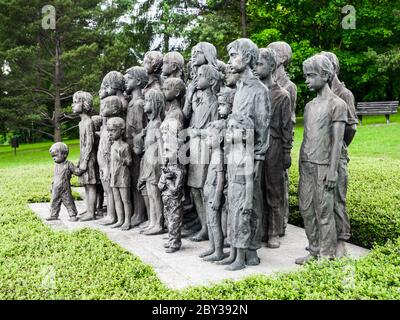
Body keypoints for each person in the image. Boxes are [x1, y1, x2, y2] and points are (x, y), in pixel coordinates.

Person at [296, 54, 348, 265]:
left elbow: (337, 142)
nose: (307, 80)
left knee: (324, 211)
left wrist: (333, 170)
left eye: (310, 76)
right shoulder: (309, 106)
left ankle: (326, 255)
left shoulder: (338, 105)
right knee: (306, 209)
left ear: (325, 75)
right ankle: (314, 250)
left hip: (324, 165)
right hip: (307, 164)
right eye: (305, 76)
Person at [226, 38, 270, 266]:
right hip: (235, 155)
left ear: (248, 58)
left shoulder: (259, 90)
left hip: (249, 157)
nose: (230, 60)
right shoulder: (239, 88)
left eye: (234, 55)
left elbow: (263, 128)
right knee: (236, 203)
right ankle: (239, 250)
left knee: (249, 204)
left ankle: (250, 250)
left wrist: (258, 161)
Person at [320, 51, 358, 258]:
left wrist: (340, 146)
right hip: (320, 155)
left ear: (331, 69)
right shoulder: (320, 92)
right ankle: (325, 242)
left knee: (337, 198)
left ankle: (341, 241)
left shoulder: (344, 94)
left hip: (337, 154)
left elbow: (351, 127)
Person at [256, 48, 293, 248]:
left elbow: (287, 126)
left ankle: (274, 231)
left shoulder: (282, 95)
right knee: (257, 187)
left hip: (274, 145)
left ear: (271, 66)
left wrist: (287, 151)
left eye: (260, 64)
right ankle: (260, 229)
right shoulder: (254, 91)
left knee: (273, 187)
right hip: (256, 145)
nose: (256, 67)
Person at [267, 41, 297, 236]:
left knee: (279, 184)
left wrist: (287, 147)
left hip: (279, 140)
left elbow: (289, 119)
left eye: (273, 51)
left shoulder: (288, 87)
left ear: (283, 58)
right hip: (266, 141)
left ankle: (280, 224)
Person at [222, 114, 254, 271]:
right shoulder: (231, 153)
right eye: (228, 127)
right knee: (232, 223)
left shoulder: (246, 156)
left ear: (243, 133)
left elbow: (249, 181)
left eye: (233, 128)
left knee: (241, 225)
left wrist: (248, 201)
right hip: (232, 192)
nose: (229, 130)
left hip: (241, 192)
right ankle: (232, 255)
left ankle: (240, 259)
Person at [124, 66, 149, 227]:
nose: (125, 80)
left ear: (138, 81)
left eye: (129, 78)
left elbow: (140, 129)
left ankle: (140, 214)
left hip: (136, 149)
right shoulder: (132, 102)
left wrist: (137, 147)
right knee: (133, 181)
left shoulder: (139, 103)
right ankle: (136, 213)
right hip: (130, 147)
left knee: (138, 181)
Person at [138, 89, 165, 235]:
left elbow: (161, 147)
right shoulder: (151, 124)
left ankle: (159, 223)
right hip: (148, 162)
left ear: (156, 103)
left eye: (148, 101)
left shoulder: (158, 124)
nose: (144, 103)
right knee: (150, 193)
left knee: (155, 195)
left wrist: (162, 165)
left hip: (155, 164)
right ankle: (152, 221)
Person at [199, 120, 226, 262]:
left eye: (210, 137)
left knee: (215, 224)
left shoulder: (220, 156)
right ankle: (212, 247)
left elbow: (221, 179)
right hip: (209, 192)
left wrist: (216, 198)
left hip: (214, 194)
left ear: (220, 139)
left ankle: (219, 251)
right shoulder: (214, 154)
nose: (207, 140)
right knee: (210, 222)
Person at [72, 91, 98, 222]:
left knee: (91, 184)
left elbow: (89, 144)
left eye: (75, 102)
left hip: (89, 159)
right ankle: (89, 209)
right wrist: (80, 160)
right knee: (86, 185)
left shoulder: (88, 122)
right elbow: (82, 145)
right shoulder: (81, 123)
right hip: (84, 158)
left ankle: (91, 212)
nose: (72, 105)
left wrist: (85, 161)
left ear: (84, 104)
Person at [158, 138, 186, 253]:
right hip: (165, 199)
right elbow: (159, 186)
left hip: (174, 201)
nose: (165, 153)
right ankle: (170, 240)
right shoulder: (166, 169)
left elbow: (175, 190)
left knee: (174, 221)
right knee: (167, 220)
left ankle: (175, 243)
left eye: (168, 150)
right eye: (165, 150)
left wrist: (168, 180)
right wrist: (164, 177)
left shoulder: (179, 171)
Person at [106, 117, 133, 230]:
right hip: (114, 176)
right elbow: (110, 162)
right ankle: (120, 219)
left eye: (113, 130)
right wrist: (109, 173)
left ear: (121, 131)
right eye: (109, 131)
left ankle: (127, 221)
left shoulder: (125, 146)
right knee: (116, 199)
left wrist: (121, 158)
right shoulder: (112, 146)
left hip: (123, 175)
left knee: (125, 200)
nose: (110, 133)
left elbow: (129, 161)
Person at [46, 142, 82, 221]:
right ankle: (53, 215)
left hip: (65, 188)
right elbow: (55, 177)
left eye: (55, 156)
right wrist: (52, 186)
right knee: (54, 201)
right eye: (52, 156)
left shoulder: (68, 164)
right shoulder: (56, 165)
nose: (54, 158)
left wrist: (81, 167)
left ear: (64, 154)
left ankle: (72, 215)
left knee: (68, 201)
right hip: (56, 187)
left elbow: (77, 172)